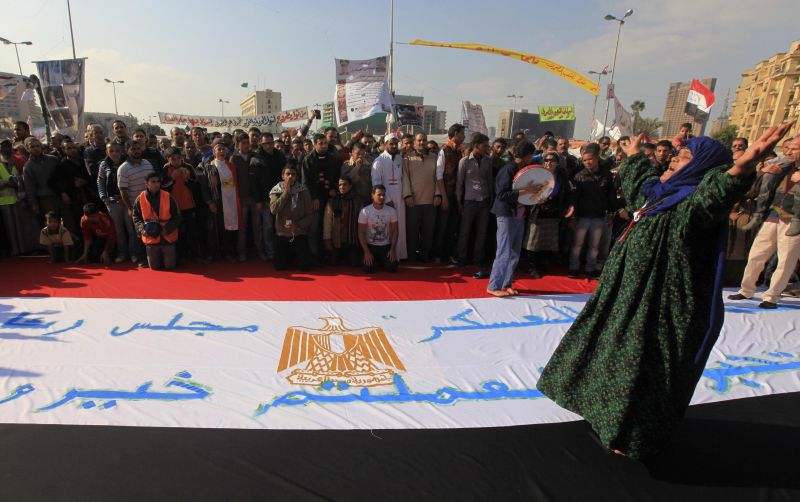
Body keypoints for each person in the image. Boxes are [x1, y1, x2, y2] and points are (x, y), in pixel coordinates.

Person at [536, 123, 792, 460]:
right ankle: (603, 416)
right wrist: (633, 157)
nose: (673, 160)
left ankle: (632, 438)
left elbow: (713, 196)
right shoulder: (660, 195)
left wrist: (739, 170)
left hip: (658, 307)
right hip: (626, 298)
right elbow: (641, 186)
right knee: (610, 355)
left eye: (684, 158)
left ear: (702, 168)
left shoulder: (691, 206)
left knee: (641, 369)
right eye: (675, 155)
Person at [730, 133, 800, 308]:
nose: (790, 151)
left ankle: (771, 297)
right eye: (789, 148)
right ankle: (746, 290)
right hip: (773, 215)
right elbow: (758, 188)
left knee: (785, 260)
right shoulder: (783, 165)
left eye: (795, 148)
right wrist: (764, 172)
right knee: (757, 254)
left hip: (794, 220)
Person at [487, 140, 544, 297]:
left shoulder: (523, 169)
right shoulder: (508, 169)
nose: (532, 158)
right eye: (532, 155)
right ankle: (493, 285)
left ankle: (507, 284)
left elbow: (525, 193)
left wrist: (537, 196)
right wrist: (527, 190)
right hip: (506, 214)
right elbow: (502, 195)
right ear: (526, 155)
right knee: (504, 251)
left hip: (519, 215)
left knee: (514, 253)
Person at [568, 144, 619, 278]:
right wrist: (573, 216)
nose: (587, 162)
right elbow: (574, 199)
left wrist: (611, 213)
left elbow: (611, 196)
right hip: (582, 216)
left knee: (594, 245)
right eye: (584, 160)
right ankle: (573, 267)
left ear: (597, 158)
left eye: (590, 159)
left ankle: (590, 268)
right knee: (577, 244)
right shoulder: (579, 176)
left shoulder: (606, 175)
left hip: (599, 215)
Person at [524, 151, 573, 278]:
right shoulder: (537, 175)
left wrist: (567, 207)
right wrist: (537, 198)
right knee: (533, 241)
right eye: (546, 160)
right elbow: (528, 193)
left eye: (552, 160)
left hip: (553, 213)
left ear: (557, 163)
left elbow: (566, 194)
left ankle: (542, 264)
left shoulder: (561, 177)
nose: (549, 163)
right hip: (537, 212)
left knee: (547, 241)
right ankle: (532, 266)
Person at [455, 132, 493, 270]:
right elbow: (459, 183)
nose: (486, 148)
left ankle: (478, 258)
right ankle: (461, 258)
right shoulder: (464, 162)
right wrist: (459, 202)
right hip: (469, 201)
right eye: (484, 145)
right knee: (464, 232)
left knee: (481, 232)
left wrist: (491, 200)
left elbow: (489, 181)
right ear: (476, 145)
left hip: (484, 201)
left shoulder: (488, 161)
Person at [132, 172, 182, 270]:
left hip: (167, 237)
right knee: (154, 268)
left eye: (158, 181)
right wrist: (142, 229)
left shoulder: (168, 196)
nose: (157, 184)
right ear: (146, 183)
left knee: (170, 267)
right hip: (151, 237)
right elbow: (136, 217)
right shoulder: (140, 198)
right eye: (153, 182)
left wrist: (167, 229)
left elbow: (178, 216)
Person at [402, 133, 440, 262]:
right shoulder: (407, 158)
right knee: (412, 231)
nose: (422, 142)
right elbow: (405, 178)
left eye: (424, 140)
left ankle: (424, 255)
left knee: (428, 231)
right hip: (413, 201)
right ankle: (411, 255)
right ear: (414, 142)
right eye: (419, 140)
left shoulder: (435, 158)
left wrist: (437, 194)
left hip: (430, 201)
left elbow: (438, 178)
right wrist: (407, 195)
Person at [117, 139, 155, 267]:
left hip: (151, 204)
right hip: (135, 206)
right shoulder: (123, 168)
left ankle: (153, 257)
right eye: (133, 149)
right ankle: (142, 259)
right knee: (138, 233)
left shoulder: (147, 163)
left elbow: (153, 183)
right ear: (127, 151)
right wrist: (129, 208)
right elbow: (123, 190)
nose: (136, 151)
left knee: (152, 230)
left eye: (138, 149)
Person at [269, 163, 313, 271]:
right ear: (283, 176)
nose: (290, 177)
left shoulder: (304, 191)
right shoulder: (276, 190)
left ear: (297, 177)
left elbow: (310, 215)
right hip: (282, 234)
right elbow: (273, 210)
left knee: (305, 267)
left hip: (298, 233)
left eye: (293, 174)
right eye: (288, 174)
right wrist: (286, 192)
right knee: (279, 267)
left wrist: (298, 225)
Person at [371, 134, 407, 260]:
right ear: (385, 144)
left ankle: (399, 255)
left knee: (400, 228)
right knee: (386, 229)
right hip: (386, 201)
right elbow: (376, 183)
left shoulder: (400, 159)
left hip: (400, 199)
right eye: (390, 143)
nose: (393, 146)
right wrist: (387, 200)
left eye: (395, 144)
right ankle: (386, 257)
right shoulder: (378, 161)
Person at [434, 124, 466, 262]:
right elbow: (439, 175)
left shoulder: (460, 152)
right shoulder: (444, 151)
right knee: (442, 226)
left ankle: (448, 254)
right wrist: (444, 197)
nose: (464, 136)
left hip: (457, 196)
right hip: (446, 194)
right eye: (462, 133)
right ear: (455, 134)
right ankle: (436, 254)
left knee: (453, 227)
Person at [323, 177, 363, 266]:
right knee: (333, 263)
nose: (342, 187)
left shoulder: (357, 201)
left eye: (345, 184)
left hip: (352, 240)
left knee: (354, 264)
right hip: (337, 240)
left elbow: (362, 223)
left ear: (350, 186)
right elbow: (327, 222)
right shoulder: (332, 201)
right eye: (340, 185)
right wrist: (327, 239)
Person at [358, 184, 399, 273]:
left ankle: (381, 261)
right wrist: (366, 252)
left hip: (385, 246)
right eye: (379, 194)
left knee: (392, 268)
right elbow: (361, 232)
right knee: (368, 269)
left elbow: (395, 231)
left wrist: (392, 250)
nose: (381, 197)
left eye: (383, 195)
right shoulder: (365, 211)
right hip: (370, 246)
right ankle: (376, 261)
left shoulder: (391, 211)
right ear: (372, 196)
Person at [340, 142, 372, 206]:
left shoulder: (369, 165)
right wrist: (356, 168)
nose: (360, 156)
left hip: (366, 200)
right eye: (358, 153)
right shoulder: (346, 165)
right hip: (351, 200)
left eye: (363, 154)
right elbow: (346, 181)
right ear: (352, 152)